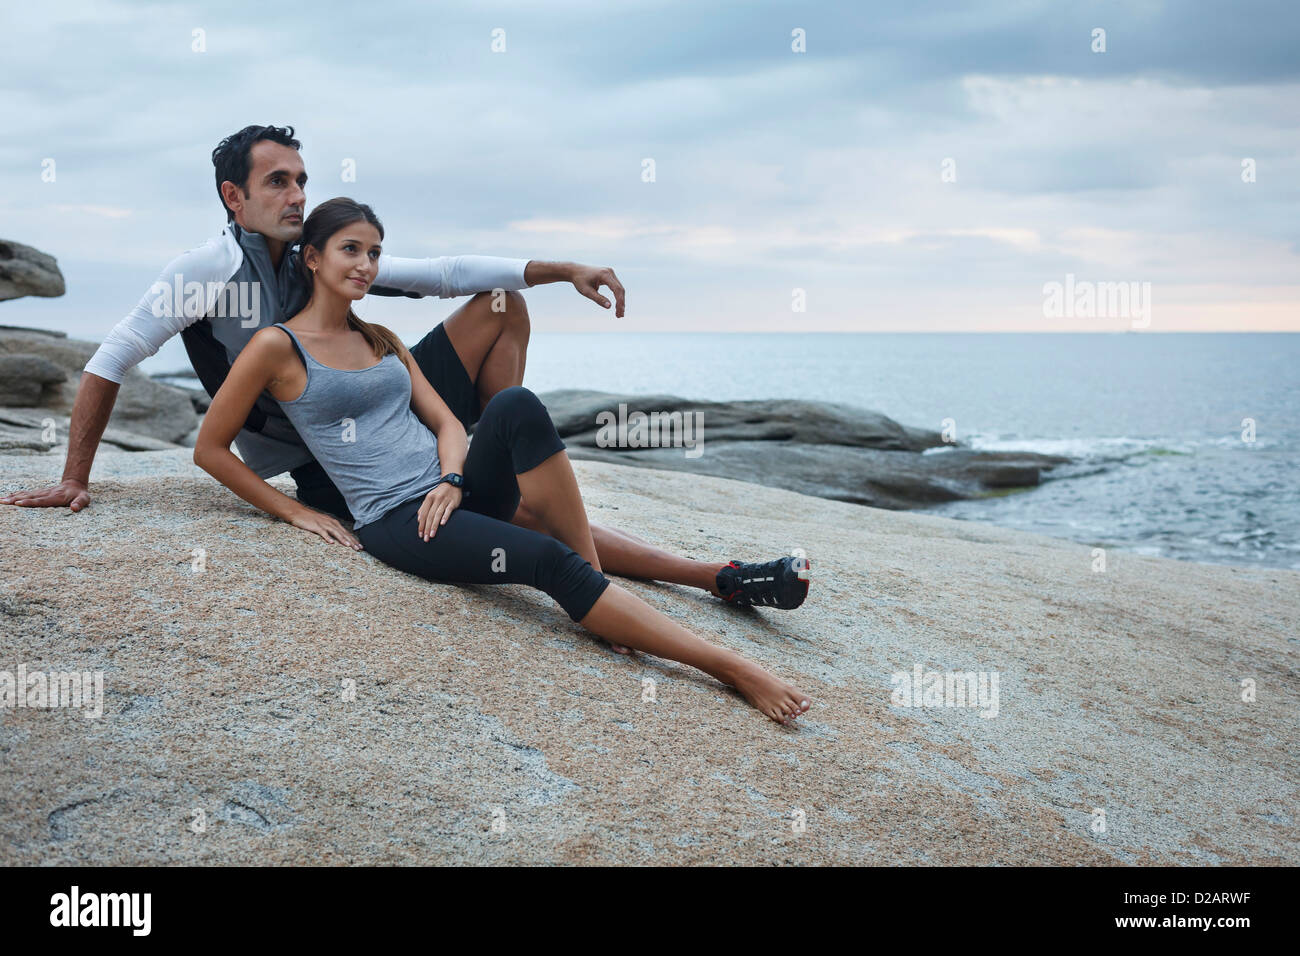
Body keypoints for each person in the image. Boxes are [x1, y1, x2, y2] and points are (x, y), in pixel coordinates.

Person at [0, 124, 811, 614]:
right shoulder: (205, 268)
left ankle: (506, 475)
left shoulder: (323, 256)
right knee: (531, 529)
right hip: (328, 461)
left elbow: (446, 272)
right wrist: (77, 478)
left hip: (387, 419)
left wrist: (562, 267)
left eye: (301, 179)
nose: (294, 193)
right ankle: (717, 575)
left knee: (499, 306)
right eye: (275, 181)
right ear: (231, 196)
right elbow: (110, 359)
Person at [192, 197, 812, 725]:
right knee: (545, 557)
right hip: (398, 519)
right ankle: (733, 669)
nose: (365, 265)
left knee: (515, 405)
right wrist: (293, 512)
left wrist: (456, 479)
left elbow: (443, 422)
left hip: (450, 492)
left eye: (374, 253)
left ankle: (599, 589)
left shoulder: (380, 338)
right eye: (351, 250)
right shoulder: (277, 344)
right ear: (314, 257)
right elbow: (209, 449)